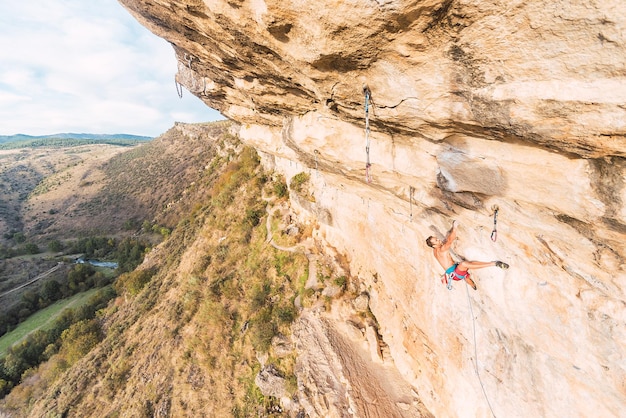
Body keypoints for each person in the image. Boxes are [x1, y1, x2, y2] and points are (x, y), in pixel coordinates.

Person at [426, 220, 509, 290]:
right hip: (455, 274)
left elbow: (446, 239)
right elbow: (449, 240)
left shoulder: (435, 251)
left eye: (436, 238)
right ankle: (494, 263)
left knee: (465, 272)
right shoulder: (442, 249)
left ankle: (473, 285)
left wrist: (450, 229)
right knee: (464, 264)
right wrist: (454, 227)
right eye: (436, 241)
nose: (438, 240)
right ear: (433, 245)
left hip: (454, 271)